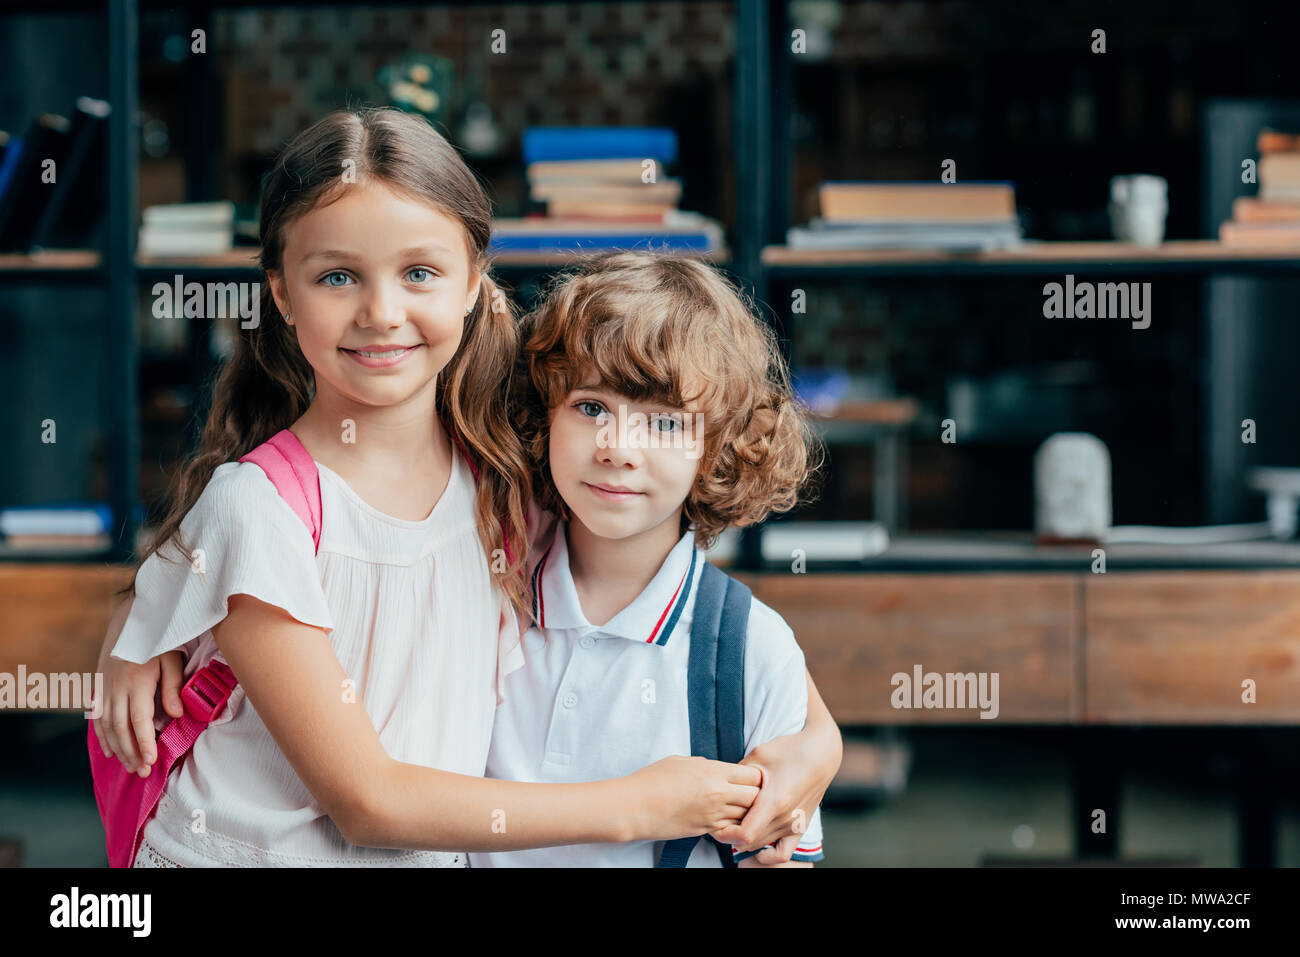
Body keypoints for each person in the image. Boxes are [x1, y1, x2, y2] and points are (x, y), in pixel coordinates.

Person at [92, 107, 840, 867]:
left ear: (474, 283)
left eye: (419, 272)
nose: (382, 313)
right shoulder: (261, 506)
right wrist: (642, 805)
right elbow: (368, 803)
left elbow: (709, 625)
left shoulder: (505, 478)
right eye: (337, 275)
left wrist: (818, 743)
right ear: (281, 293)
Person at [471, 251, 828, 867]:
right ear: (542, 415)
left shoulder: (751, 649)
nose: (618, 449)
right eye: (590, 408)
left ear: (718, 448)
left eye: (665, 423)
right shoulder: (482, 593)